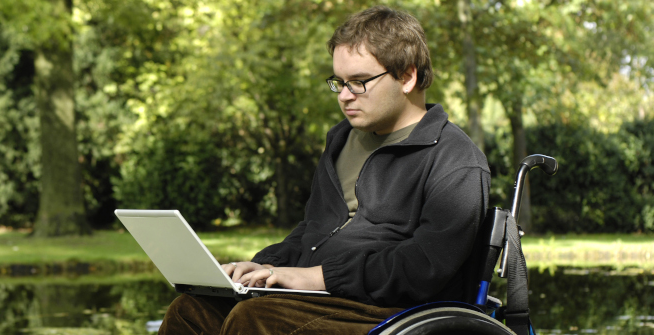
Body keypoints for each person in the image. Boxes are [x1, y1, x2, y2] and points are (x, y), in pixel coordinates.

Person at [157, 5, 491, 335]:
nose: (344, 96)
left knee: (258, 318)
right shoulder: (342, 139)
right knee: (191, 310)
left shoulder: (456, 161)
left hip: (390, 310)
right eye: (339, 82)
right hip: (315, 298)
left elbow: (423, 267)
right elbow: (312, 229)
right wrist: (265, 266)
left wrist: (320, 278)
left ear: (407, 76)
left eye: (358, 82)